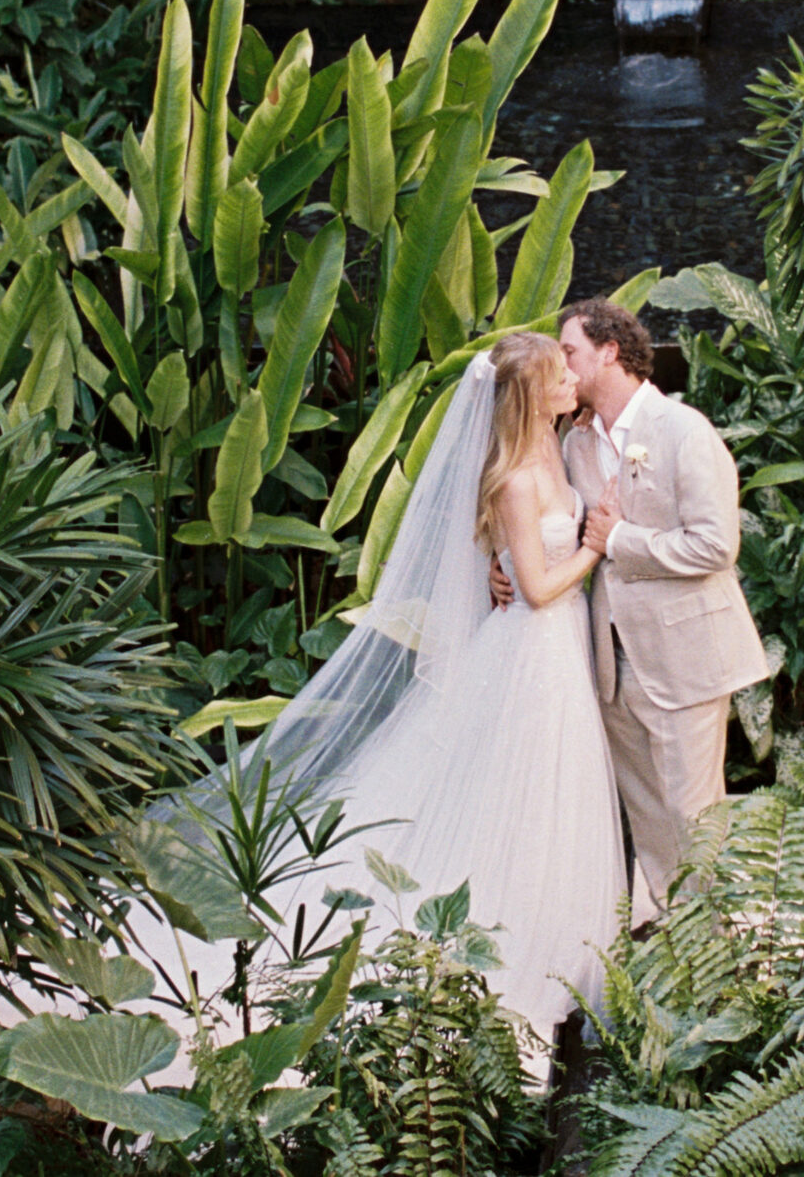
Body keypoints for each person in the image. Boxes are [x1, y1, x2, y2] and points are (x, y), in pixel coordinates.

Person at [171, 332, 625, 1030]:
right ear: (532, 396)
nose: (572, 382)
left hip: (556, 651)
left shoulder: (558, 451)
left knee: (552, 789)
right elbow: (536, 588)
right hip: (533, 649)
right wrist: (592, 548)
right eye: (559, 377)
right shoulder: (515, 478)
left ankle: (564, 931)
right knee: (523, 788)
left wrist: (503, 565)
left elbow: (516, 562)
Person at [492, 301, 768, 916]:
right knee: (648, 816)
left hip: (683, 660)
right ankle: (677, 940)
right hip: (609, 664)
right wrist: (504, 562)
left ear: (609, 352)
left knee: (693, 816)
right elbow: (537, 513)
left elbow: (717, 544)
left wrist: (618, 541)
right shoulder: (574, 439)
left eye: (569, 354)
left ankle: (716, 951)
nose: (559, 366)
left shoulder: (683, 430)